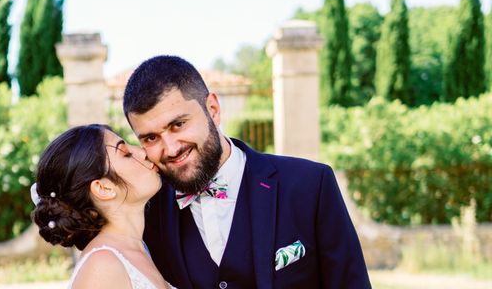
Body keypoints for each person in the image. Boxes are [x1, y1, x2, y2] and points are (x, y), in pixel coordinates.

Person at [123, 55, 372, 288]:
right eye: (151, 138)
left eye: (178, 125)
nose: (171, 148)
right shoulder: (148, 213)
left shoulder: (310, 185)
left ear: (213, 109)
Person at [30, 123, 175, 288]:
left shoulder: (140, 249)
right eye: (126, 153)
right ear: (103, 188)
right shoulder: (102, 266)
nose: (142, 152)